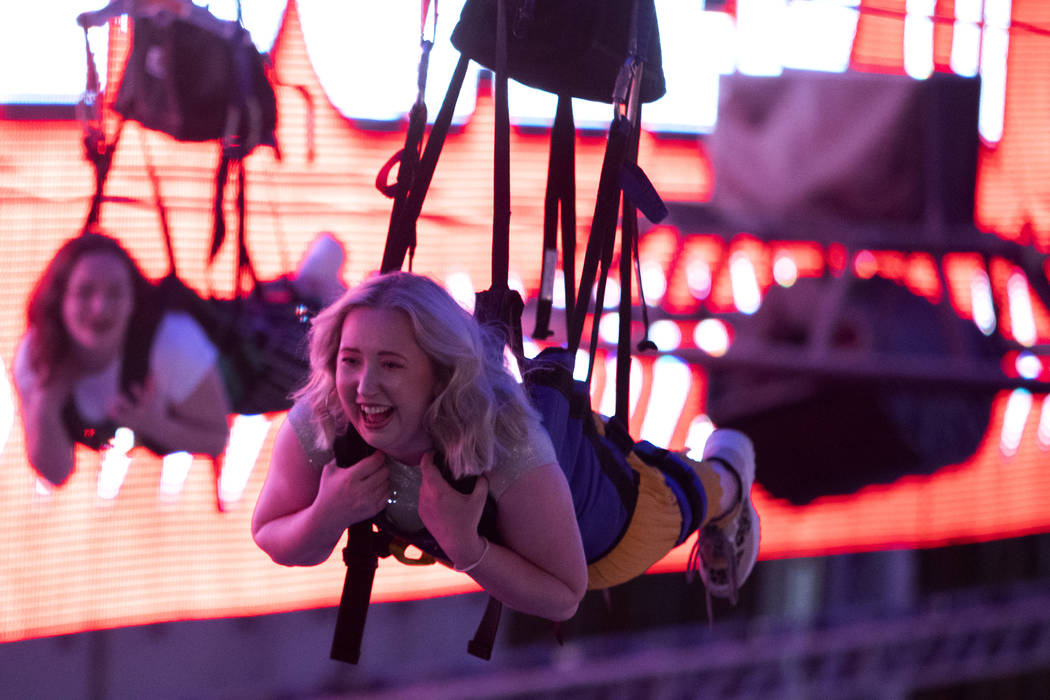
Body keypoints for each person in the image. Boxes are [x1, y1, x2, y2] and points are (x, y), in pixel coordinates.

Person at [251, 271, 589, 621]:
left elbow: (564, 598)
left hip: (627, 532)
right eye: (350, 360)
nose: (364, 387)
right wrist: (327, 514)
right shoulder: (325, 414)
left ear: (442, 373)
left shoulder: (504, 436)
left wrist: (466, 547)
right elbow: (268, 532)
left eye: (390, 365)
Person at [13, 230, 348, 488]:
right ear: (60, 300)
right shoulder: (37, 355)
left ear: (133, 302)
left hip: (257, 370)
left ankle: (321, 290)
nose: (100, 307)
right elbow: (55, 473)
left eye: (115, 292)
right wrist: (44, 400)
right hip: (235, 341)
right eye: (85, 292)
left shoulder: (169, 340)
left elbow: (216, 437)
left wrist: (151, 423)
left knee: (329, 354)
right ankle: (312, 285)